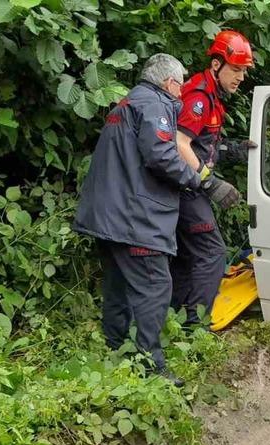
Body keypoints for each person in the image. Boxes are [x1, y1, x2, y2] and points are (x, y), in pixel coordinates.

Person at [72, 53, 237, 387]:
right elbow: (162, 155)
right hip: (135, 219)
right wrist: (200, 181)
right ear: (169, 83)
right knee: (155, 287)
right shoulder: (155, 104)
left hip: (106, 217)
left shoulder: (127, 103)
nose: (182, 94)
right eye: (180, 86)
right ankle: (151, 367)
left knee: (118, 287)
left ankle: (115, 349)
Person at [171, 30, 255, 326]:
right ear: (217, 65)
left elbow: (201, 145)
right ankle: (196, 326)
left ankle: (175, 319)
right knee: (213, 254)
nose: (241, 77)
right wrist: (211, 182)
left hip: (186, 187)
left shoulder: (211, 95)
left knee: (186, 257)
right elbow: (179, 144)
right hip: (186, 188)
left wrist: (232, 150)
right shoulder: (198, 97)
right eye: (236, 69)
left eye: (244, 70)